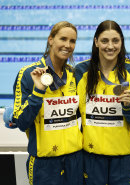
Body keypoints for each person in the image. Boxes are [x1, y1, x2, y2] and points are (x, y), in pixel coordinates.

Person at [75, 20, 130, 185]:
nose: (110, 46)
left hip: (123, 157)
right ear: (96, 42)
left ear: (121, 42)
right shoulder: (80, 71)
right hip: (90, 155)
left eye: (115, 40)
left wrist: (129, 107)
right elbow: (71, 109)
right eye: (105, 40)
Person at [12, 21, 83, 185]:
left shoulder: (74, 74)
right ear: (51, 40)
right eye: (63, 39)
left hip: (75, 159)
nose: (68, 45)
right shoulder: (28, 74)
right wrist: (38, 91)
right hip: (44, 163)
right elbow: (21, 122)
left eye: (72, 41)